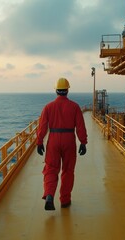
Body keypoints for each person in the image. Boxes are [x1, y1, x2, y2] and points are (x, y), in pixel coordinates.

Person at [36, 77, 88, 211]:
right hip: (69, 140)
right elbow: (80, 127)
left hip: (53, 139)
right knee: (68, 170)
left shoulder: (48, 107)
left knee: (51, 168)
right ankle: (65, 200)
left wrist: (39, 142)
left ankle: (49, 195)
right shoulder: (75, 107)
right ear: (67, 90)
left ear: (56, 91)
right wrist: (83, 142)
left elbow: (42, 127)